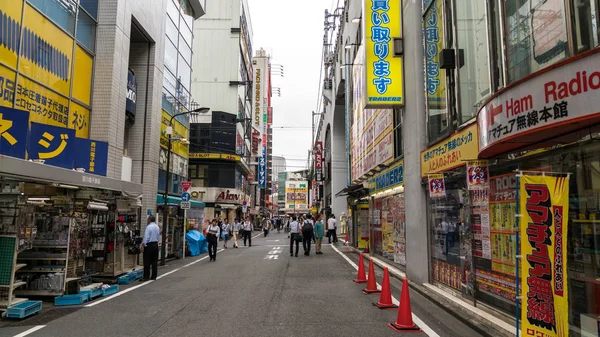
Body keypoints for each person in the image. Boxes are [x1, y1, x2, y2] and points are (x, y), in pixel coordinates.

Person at [141, 216, 160, 281]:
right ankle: (154, 276)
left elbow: (146, 237)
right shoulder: (157, 227)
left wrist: (143, 244)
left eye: (148, 219)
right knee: (154, 261)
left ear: (149, 220)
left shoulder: (148, 227)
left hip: (149, 245)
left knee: (147, 261)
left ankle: (146, 276)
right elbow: (158, 236)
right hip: (155, 244)